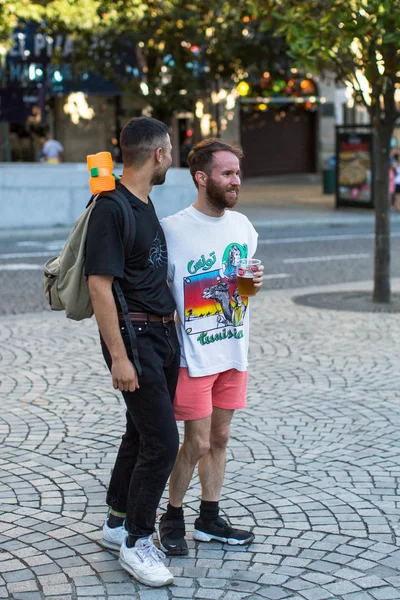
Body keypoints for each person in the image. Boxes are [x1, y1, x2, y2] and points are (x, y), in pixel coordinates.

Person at [84, 117, 180, 587]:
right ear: (158, 154)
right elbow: (99, 286)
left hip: (162, 337)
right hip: (136, 341)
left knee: (140, 434)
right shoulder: (111, 206)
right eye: (170, 151)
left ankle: (117, 521)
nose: (172, 158)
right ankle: (137, 541)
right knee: (163, 443)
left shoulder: (144, 202)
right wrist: (120, 357)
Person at [159, 138, 263, 556]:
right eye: (227, 173)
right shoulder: (171, 230)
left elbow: (244, 289)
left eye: (237, 172)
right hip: (193, 357)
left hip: (233, 352)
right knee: (196, 443)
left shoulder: (243, 227)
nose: (236, 180)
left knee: (220, 438)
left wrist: (252, 285)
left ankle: (209, 517)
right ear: (202, 178)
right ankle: (172, 515)